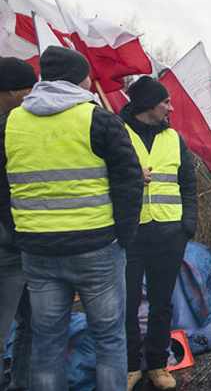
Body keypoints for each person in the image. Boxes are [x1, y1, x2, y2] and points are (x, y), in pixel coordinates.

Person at [0, 46, 143, 391]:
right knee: (109, 340)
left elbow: (4, 189)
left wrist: (20, 233)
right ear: (81, 79)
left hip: (38, 251)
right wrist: (123, 235)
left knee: (47, 344)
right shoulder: (98, 119)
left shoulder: (12, 122)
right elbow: (130, 180)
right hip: (96, 248)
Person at [120, 77, 197, 391]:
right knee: (126, 301)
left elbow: (188, 184)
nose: (170, 106)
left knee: (162, 302)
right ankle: (127, 366)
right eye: (165, 101)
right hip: (130, 232)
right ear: (148, 105)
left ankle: (157, 364)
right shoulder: (117, 133)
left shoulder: (174, 138)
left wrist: (187, 222)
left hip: (168, 231)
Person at [0, 57, 37, 390]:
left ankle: (22, 384)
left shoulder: (16, 124)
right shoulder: (9, 127)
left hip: (25, 239)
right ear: (9, 93)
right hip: (10, 239)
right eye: (27, 92)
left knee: (34, 322)